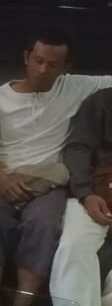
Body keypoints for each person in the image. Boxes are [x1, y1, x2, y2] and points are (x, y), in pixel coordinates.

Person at [0, 28, 112, 306]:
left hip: (49, 181)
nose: (43, 69)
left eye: (53, 64)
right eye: (38, 60)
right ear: (27, 57)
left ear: (66, 67)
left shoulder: (75, 87)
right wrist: (4, 181)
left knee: (45, 224)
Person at [50, 88, 112, 306]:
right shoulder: (103, 100)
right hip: (95, 192)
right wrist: (86, 193)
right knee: (73, 245)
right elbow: (78, 148)